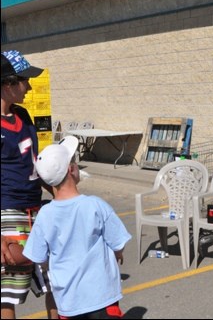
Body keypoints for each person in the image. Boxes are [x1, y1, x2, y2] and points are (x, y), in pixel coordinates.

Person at [23, 136, 132, 319]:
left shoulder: (44, 215)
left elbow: (39, 257)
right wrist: (117, 252)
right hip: (102, 297)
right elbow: (118, 243)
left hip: (68, 302)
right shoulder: (95, 205)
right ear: (71, 169)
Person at [1, 50, 58, 319]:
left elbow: (34, 163)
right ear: (9, 84)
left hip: (38, 209)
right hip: (8, 213)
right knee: (7, 295)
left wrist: (62, 193)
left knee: (55, 281)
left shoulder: (23, 114)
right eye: (25, 80)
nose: (30, 86)